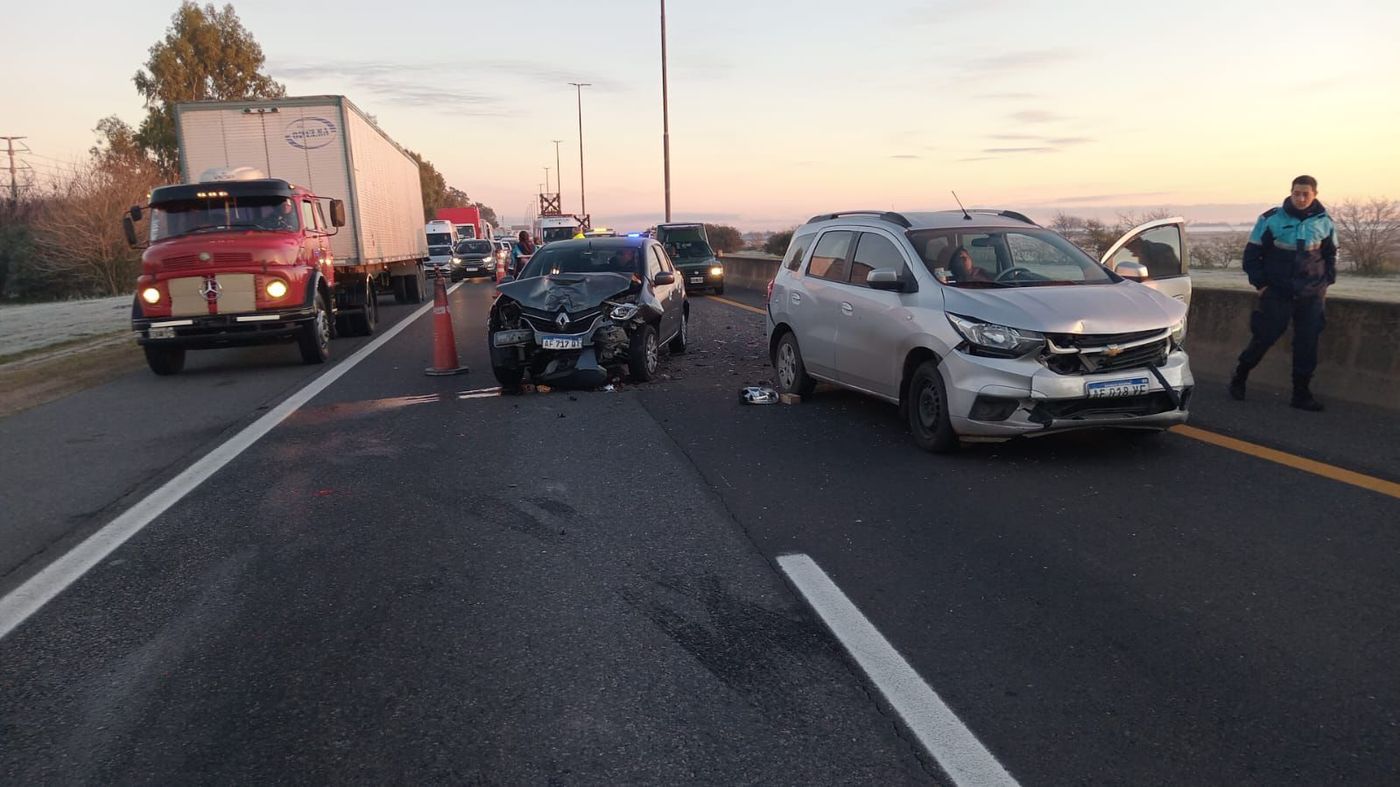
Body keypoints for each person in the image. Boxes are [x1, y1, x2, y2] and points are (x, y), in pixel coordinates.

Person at [1228, 175, 1337, 411]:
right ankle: (1240, 377)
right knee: (1264, 337)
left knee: (1307, 344)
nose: (1300, 198)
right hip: (1277, 292)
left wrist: (1325, 284)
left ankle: (1301, 394)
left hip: (1311, 295)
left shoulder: (1325, 221)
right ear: (1291, 192)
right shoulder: (1271, 219)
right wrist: (1262, 285)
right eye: (1296, 193)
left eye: (1305, 194)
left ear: (1314, 194)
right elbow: (1251, 256)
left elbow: (1330, 257)